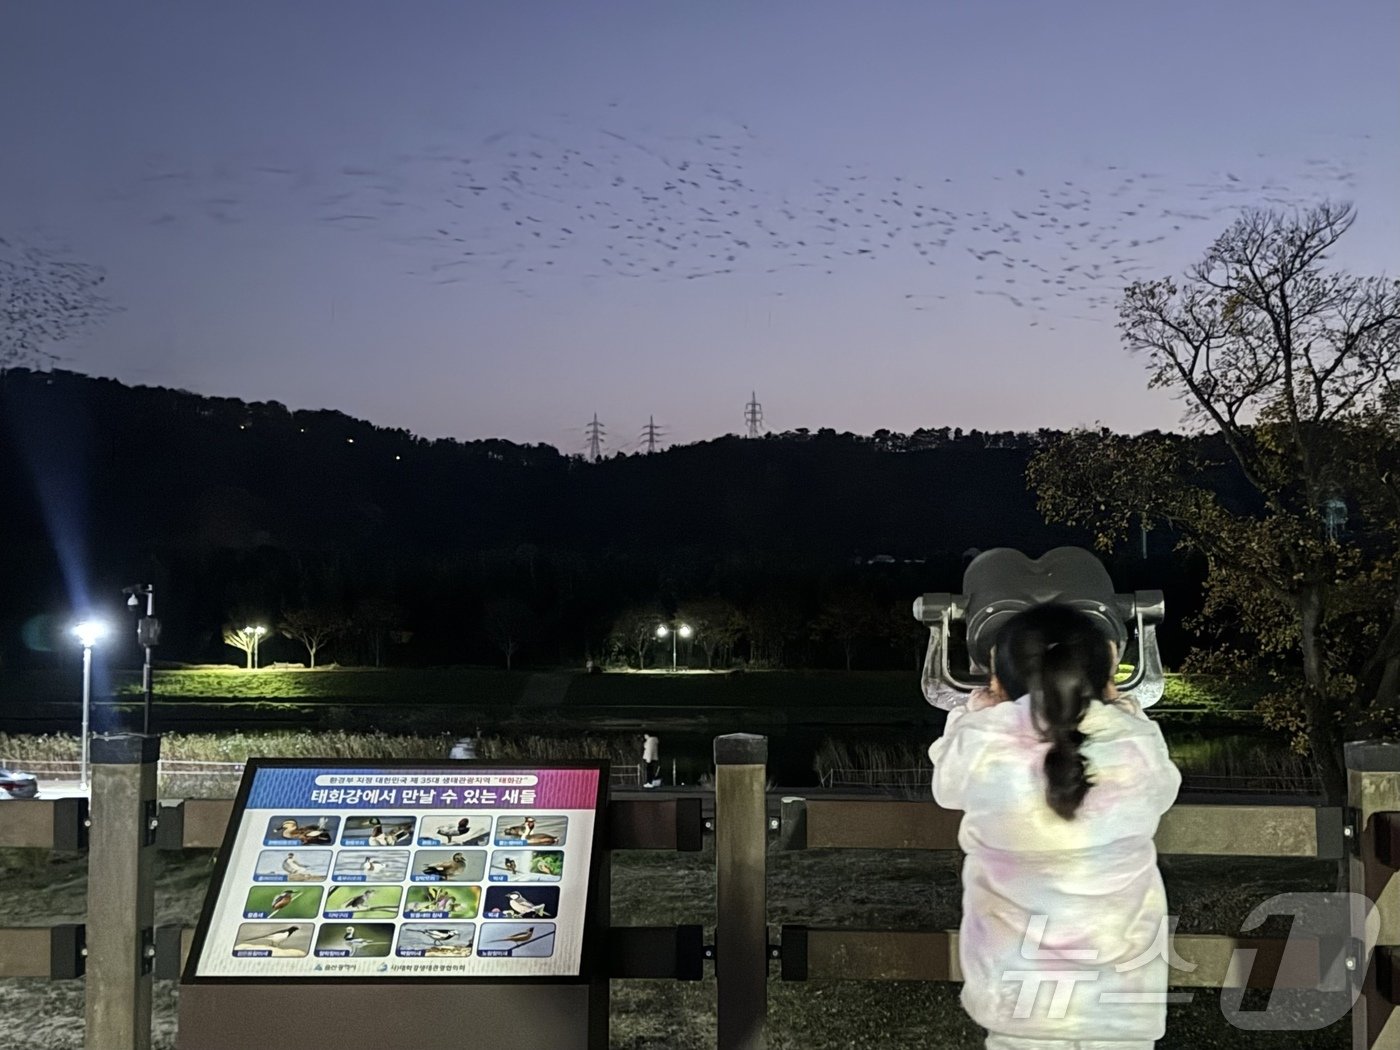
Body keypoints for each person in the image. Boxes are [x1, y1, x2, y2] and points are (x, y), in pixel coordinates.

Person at [928, 603, 1181, 1049]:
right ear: (1107, 671)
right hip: (1122, 1005)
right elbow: (1163, 789)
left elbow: (947, 785)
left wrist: (975, 712)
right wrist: (1126, 709)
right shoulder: (1135, 746)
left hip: (1017, 1001)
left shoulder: (984, 746)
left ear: (998, 680)